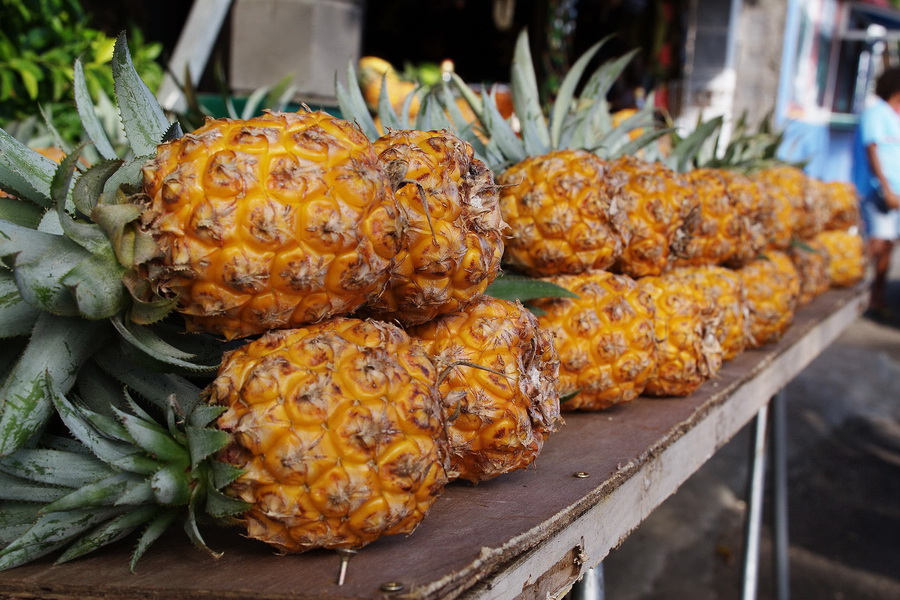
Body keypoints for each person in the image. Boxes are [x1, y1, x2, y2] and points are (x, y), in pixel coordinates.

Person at [851, 66, 900, 320]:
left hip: (896, 195)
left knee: (889, 244)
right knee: (876, 243)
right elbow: (873, 151)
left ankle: (876, 296)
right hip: (878, 192)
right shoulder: (876, 114)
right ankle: (854, 289)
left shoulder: (896, 117)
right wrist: (886, 188)